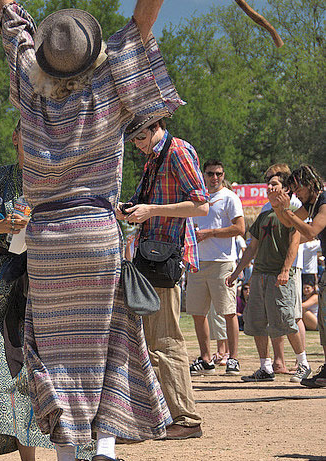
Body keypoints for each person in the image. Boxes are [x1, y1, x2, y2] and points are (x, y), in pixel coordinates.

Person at [0, 0, 207, 461]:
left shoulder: (29, 84)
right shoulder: (111, 85)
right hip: (97, 233)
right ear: (94, 53)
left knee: (53, 350)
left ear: (46, 52)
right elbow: (145, 18)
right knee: (114, 339)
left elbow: (9, 16)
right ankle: (104, 453)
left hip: (44, 239)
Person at [0, 124, 93, 461]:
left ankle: (80, 459)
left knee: (66, 367)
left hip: (56, 278)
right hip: (11, 284)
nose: (32, 142)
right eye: (25, 136)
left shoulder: (62, 177)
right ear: (15, 138)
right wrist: (1, 226)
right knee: (13, 367)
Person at [119, 115, 208, 438]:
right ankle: (162, 415)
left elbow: (201, 206)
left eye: (139, 139)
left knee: (167, 340)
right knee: (151, 341)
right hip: (150, 258)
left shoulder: (179, 151)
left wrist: (151, 211)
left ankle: (186, 418)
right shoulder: (154, 159)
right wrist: (128, 209)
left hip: (166, 259)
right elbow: (144, 202)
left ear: (155, 127)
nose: (137, 146)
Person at [226, 171, 310, 383]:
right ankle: (265, 367)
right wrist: (238, 273)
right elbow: (252, 247)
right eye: (268, 184)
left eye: (274, 184)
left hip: (279, 276)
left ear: (286, 189)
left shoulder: (293, 213)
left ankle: (303, 364)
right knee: (257, 322)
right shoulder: (264, 215)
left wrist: (285, 270)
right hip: (260, 275)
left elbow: (293, 245)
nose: (270, 188)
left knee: (286, 321)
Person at [268, 164, 326, 388]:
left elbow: (311, 232)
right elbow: (287, 224)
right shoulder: (310, 204)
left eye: (298, 189)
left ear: (310, 184)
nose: (297, 194)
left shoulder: (323, 202)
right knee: (323, 322)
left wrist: (288, 211)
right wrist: (279, 208)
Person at [186, 159, 245, 376]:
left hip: (222, 262)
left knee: (228, 312)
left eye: (218, 174)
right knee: (197, 313)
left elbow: (240, 228)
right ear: (203, 174)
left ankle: (233, 358)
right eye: (210, 174)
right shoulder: (196, 198)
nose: (214, 178)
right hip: (197, 261)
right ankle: (206, 359)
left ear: (223, 175)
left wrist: (210, 233)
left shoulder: (229, 197)